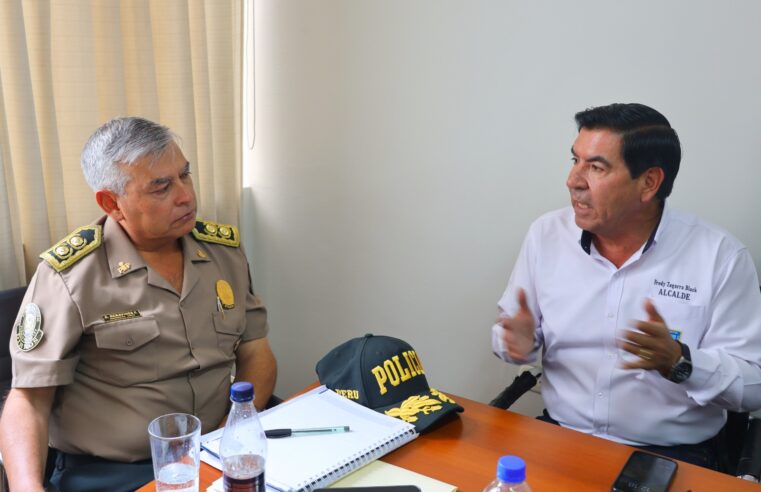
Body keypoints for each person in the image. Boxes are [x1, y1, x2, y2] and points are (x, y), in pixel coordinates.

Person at [0, 117, 277, 491]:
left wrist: (238, 426)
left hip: (215, 451)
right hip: (114, 473)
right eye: (161, 187)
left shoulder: (222, 252)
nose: (185, 195)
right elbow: (28, 401)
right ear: (112, 203)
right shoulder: (70, 276)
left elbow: (256, 351)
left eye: (185, 175)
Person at [491, 103, 761, 469]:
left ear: (649, 183)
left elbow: (754, 385)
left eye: (596, 167)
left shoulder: (720, 257)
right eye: (575, 160)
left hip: (669, 455)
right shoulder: (546, 235)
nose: (573, 180)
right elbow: (511, 336)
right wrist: (517, 343)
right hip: (562, 436)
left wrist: (681, 363)